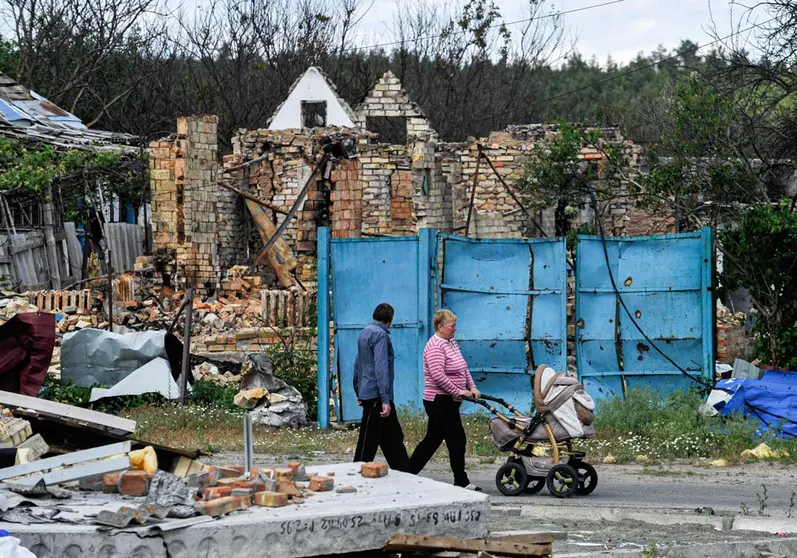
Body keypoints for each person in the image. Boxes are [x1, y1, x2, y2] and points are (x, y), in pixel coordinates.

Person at [410, 309, 482, 490]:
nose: (455, 329)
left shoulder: (451, 343)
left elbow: (463, 368)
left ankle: (406, 473)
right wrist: (459, 391)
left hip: (449, 400)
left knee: (432, 440)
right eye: (452, 326)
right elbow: (438, 376)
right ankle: (461, 481)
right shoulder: (435, 346)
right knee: (457, 438)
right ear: (440, 327)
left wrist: (471, 386)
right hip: (439, 401)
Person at [352, 303, 410, 471]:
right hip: (377, 395)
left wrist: (358, 389)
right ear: (390, 319)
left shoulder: (365, 333)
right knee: (368, 440)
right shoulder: (381, 336)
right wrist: (385, 399)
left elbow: (358, 363)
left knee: (393, 437)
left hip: (369, 392)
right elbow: (381, 367)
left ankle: (404, 471)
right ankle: (358, 471)